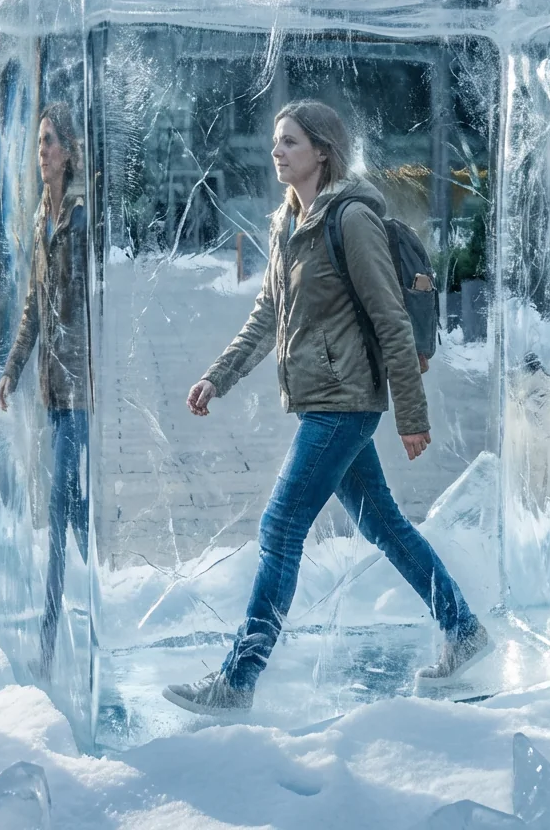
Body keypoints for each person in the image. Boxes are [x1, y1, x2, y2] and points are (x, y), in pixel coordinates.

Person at [163, 99, 489, 716]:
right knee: (386, 526)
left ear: (322, 151)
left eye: (289, 141)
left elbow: (391, 317)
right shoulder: (285, 224)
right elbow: (266, 318)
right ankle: (464, 629)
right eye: (275, 141)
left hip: (344, 404)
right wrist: (217, 377)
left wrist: (412, 417)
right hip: (325, 400)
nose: (276, 151)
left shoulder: (353, 218)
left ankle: (238, 680)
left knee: (280, 527)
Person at [0, 101, 89, 678]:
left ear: (71, 153)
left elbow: (82, 306)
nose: (42, 151)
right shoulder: (41, 218)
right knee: (72, 515)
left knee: (61, 518)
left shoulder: (82, 218)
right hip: (53, 391)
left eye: (50, 141)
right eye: (37, 143)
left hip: (81, 391)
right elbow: (34, 304)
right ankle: (83, 625)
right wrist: (12, 368)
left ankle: (51, 644)